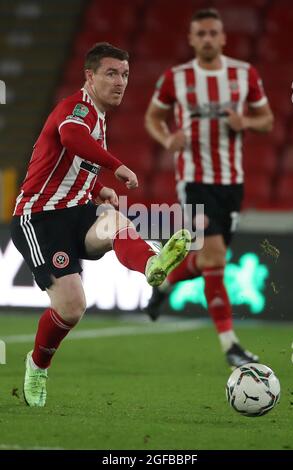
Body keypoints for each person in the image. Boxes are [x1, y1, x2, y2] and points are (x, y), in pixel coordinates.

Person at [11, 42, 191, 407]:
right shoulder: (78, 108)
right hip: (39, 219)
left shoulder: (99, 118)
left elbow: (69, 164)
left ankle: (152, 265)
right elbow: (70, 138)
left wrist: (98, 188)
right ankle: (37, 364)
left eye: (125, 74)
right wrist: (116, 166)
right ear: (89, 77)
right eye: (111, 73)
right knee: (72, 307)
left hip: (76, 211)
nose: (120, 81)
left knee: (116, 220)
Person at [145, 9, 274, 368]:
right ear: (191, 39)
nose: (206, 39)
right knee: (216, 257)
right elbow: (152, 118)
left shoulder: (244, 74)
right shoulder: (177, 77)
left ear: (223, 38)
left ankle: (165, 285)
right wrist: (167, 137)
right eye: (199, 34)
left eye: (212, 33)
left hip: (232, 183)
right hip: (194, 181)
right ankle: (230, 345)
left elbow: (267, 120)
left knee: (207, 260)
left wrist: (245, 121)